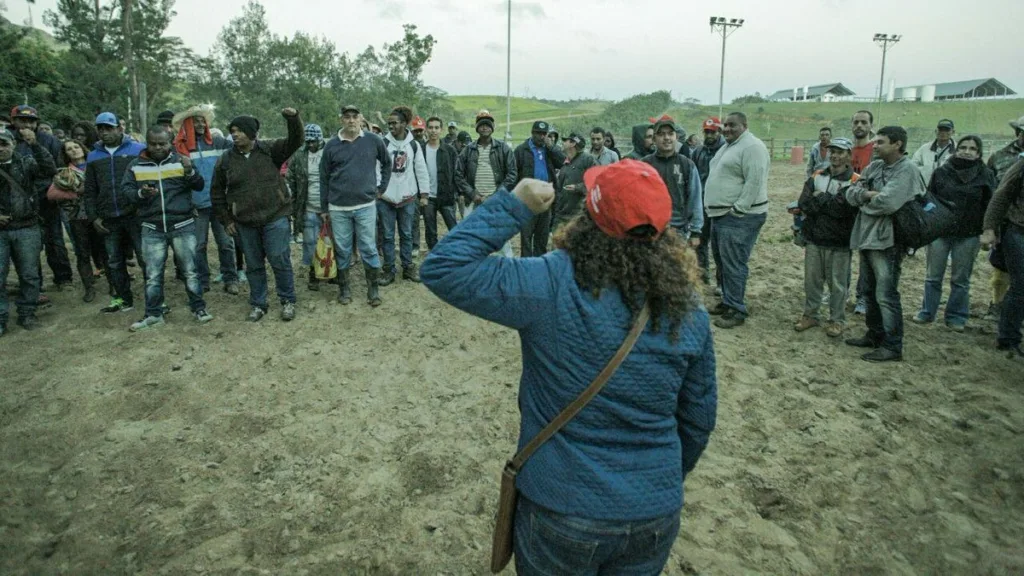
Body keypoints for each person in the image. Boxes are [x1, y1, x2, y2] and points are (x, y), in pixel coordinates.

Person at [420, 165, 717, 575]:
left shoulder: (550, 281)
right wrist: (655, 478)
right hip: (653, 511)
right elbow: (698, 419)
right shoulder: (689, 309)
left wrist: (513, 207)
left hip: (562, 505)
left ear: (588, 217)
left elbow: (443, 267)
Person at [211, 108, 303, 322]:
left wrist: (293, 118)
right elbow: (216, 192)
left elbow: (296, 140)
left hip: (275, 217)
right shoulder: (225, 160)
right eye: (232, 131)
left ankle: (288, 300)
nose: (235, 135)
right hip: (245, 222)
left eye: (240, 131)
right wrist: (226, 219)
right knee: (253, 265)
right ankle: (259, 304)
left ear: (252, 133)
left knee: (279, 259)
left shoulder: (271, 150)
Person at [844, 126, 924, 362]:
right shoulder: (875, 166)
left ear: (897, 144)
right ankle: (874, 334)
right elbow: (851, 192)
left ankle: (892, 344)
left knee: (886, 294)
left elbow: (889, 203)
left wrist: (865, 199)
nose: (875, 145)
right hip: (867, 236)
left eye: (880, 142)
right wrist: (867, 195)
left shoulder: (907, 170)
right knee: (869, 290)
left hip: (888, 240)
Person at [120, 126, 212, 332]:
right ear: (147, 143)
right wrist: (141, 194)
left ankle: (199, 309)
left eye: (162, 143)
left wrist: (189, 171)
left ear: (170, 142)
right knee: (153, 274)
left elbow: (199, 185)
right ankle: (153, 314)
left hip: (182, 224)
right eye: (153, 144)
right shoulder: (135, 165)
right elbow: (125, 191)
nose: (158, 147)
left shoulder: (182, 161)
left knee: (190, 271)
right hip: (151, 227)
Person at [911, 135, 996, 332]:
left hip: (969, 234)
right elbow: (929, 198)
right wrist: (930, 221)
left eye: (972, 148)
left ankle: (956, 317)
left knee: (960, 278)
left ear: (979, 152)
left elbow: (990, 205)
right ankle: (927, 312)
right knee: (933, 275)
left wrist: (988, 230)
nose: (967, 151)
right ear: (956, 150)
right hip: (941, 232)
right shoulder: (942, 172)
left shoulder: (985, 175)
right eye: (963, 147)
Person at [704, 112, 770, 329]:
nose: (727, 129)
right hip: (721, 215)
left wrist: (738, 209)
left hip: (739, 217)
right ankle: (727, 300)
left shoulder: (752, 147)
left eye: (732, 125)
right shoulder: (730, 146)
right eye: (725, 125)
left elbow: (755, 181)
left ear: (745, 125)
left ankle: (736, 308)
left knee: (733, 263)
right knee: (723, 262)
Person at [320, 105, 391, 306]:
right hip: (338, 207)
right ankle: (344, 289)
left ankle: (373, 290)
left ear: (361, 118)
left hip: (366, 205)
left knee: (368, 246)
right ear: (341, 119)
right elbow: (324, 177)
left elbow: (387, 163)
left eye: (354, 116)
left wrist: (382, 188)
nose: (351, 120)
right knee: (342, 249)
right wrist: (324, 208)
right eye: (347, 117)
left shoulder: (373, 140)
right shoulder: (331, 145)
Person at [793, 137, 860, 337]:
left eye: (840, 152)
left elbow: (845, 209)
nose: (835, 155)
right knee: (812, 281)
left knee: (837, 284)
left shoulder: (855, 180)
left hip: (840, 242)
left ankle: (837, 320)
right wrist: (831, 203)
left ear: (849, 155)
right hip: (814, 238)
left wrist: (821, 198)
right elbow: (804, 202)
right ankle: (810, 315)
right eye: (832, 151)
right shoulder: (817, 175)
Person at [171, 105, 239, 295]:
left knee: (226, 243)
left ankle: (230, 278)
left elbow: (238, 149)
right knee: (199, 245)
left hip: (219, 203)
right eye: (196, 121)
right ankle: (203, 280)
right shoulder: (178, 149)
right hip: (195, 206)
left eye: (203, 121)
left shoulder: (217, 142)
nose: (201, 124)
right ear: (187, 125)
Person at [83, 112, 147, 313]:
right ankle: (123, 299)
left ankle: (156, 299)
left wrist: (144, 208)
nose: (104, 132)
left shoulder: (138, 150)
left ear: (120, 128)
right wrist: (94, 217)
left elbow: (147, 179)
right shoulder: (93, 156)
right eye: (100, 129)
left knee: (145, 257)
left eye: (109, 128)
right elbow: (90, 190)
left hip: (135, 214)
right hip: (108, 217)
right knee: (114, 260)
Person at [0, 128, 56, 336]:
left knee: (30, 274)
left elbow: (49, 169)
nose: (0, 148)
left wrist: (35, 145)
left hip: (27, 226)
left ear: (13, 144)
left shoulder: (25, 162)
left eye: (4, 143)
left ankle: (27, 313)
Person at [10, 105, 72, 290]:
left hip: (46, 198)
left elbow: (58, 168)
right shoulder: (7, 140)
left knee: (54, 239)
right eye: (22, 120)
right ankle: (33, 285)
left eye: (31, 120)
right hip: (18, 202)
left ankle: (63, 278)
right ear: (13, 121)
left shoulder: (49, 140)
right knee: (27, 245)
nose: (27, 124)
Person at [48, 139, 108, 302]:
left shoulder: (96, 164)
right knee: (82, 254)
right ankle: (89, 289)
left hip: (100, 215)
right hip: (78, 217)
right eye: (69, 149)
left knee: (106, 252)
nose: (74, 150)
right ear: (65, 154)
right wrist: (76, 194)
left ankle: (114, 285)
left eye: (76, 147)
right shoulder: (64, 172)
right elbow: (51, 194)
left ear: (83, 148)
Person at [378, 106, 429, 285]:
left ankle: (408, 267)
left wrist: (424, 194)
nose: (391, 126)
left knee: (407, 234)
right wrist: (378, 190)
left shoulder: (413, 145)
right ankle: (389, 270)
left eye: (394, 123)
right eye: (389, 123)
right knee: (387, 236)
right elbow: (377, 167)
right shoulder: (383, 143)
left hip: (408, 196)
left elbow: (421, 169)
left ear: (404, 124)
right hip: (386, 197)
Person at [455, 110, 517, 256]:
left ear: (492, 128)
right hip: (473, 201)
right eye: (481, 125)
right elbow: (458, 174)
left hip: (496, 201)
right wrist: (472, 193)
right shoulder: (468, 150)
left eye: (488, 125)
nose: (484, 128)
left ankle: (507, 268)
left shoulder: (503, 149)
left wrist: (496, 195)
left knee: (501, 238)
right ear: (477, 128)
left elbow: (512, 174)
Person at [981, 156, 1024, 357]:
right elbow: (1001, 196)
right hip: (1018, 229)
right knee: (1021, 284)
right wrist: (989, 228)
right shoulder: (1022, 165)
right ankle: (1008, 339)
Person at [984, 115, 1024, 319]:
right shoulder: (1000, 157)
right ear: (1018, 133)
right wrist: (990, 226)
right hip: (1007, 222)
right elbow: (993, 191)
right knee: (1001, 268)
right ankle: (997, 304)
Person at [642, 116, 703, 244]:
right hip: (651, 231)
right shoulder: (645, 165)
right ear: (654, 139)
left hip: (679, 231)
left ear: (676, 137)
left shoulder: (687, 164)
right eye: (661, 134)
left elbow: (695, 198)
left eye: (670, 134)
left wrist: (696, 231)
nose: (667, 138)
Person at [514, 120, 565, 257]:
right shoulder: (521, 150)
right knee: (526, 237)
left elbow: (563, 162)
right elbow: (514, 175)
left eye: (544, 134)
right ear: (532, 133)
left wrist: (552, 147)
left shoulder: (549, 150)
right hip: (527, 200)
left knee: (541, 238)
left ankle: (538, 267)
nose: (541, 137)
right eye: (538, 133)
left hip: (546, 199)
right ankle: (525, 268)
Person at [286, 123, 326, 291]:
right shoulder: (299, 155)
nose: (310, 145)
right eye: (308, 142)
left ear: (320, 139)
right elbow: (291, 178)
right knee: (310, 242)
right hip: (307, 206)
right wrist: (293, 203)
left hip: (329, 206)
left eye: (313, 142)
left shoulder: (329, 152)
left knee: (332, 241)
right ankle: (314, 273)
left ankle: (333, 272)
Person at [691, 117, 727, 286]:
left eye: (712, 132)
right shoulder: (698, 151)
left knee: (720, 246)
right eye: (706, 131)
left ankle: (721, 283)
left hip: (721, 203)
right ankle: (703, 276)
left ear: (719, 132)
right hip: (702, 203)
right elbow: (694, 176)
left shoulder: (726, 150)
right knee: (701, 241)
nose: (709, 135)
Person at [850, 110, 876, 315]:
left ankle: (863, 298)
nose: (859, 126)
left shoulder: (875, 150)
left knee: (866, 258)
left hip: (868, 210)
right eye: (856, 122)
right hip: (847, 207)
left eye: (863, 122)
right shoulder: (846, 150)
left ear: (870, 126)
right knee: (840, 254)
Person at [423, 117, 460, 250]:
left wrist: (456, 192)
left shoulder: (449, 150)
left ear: (441, 130)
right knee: (430, 230)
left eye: (436, 127)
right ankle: (434, 257)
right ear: (426, 129)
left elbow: (457, 173)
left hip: (446, 196)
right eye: (431, 127)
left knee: (454, 228)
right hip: (428, 197)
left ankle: (457, 256)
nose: (433, 131)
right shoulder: (421, 149)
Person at [551, 132, 597, 232]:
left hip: (578, 216)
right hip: (561, 215)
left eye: (565, 141)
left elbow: (596, 182)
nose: (562, 143)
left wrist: (578, 188)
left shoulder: (587, 159)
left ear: (573, 143)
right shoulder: (565, 164)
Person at [910, 119, 956, 186]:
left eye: (947, 130)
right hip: (926, 188)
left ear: (953, 132)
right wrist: (925, 171)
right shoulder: (924, 148)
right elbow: (913, 166)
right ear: (936, 131)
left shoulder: (958, 149)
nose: (943, 132)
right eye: (941, 129)